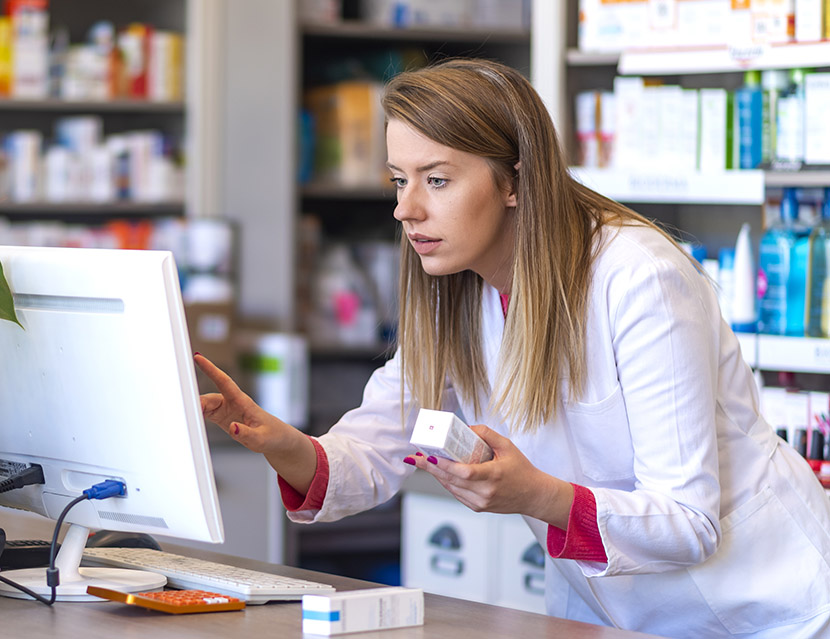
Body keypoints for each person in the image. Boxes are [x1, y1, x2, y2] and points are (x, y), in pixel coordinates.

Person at [195, 58, 830, 638]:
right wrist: (281, 443)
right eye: (398, 180)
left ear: (514, 182)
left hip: (767, 611)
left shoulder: (637, 277)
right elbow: (371, 454)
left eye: (436, 180)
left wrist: (536, 495)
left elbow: (689, 522)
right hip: (613, 616)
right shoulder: (455, 291)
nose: (405, 209)